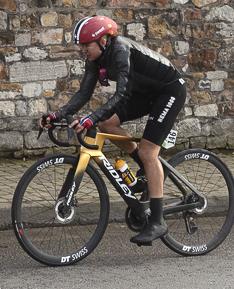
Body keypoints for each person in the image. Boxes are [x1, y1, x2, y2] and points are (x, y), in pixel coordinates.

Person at [40, 14, 186, 246]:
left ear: (103, 41)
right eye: (81, 46)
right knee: (106, 124)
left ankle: (158, 222)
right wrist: (57, 114)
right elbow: (84, 94)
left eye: (86, 45)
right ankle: (146, 172)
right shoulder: (94, 60)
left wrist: (90, 118)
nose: (83, 51)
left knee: (150, 153)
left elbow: (122, 95)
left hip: (168, 91)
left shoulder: (121, 50)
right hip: (145, 93)